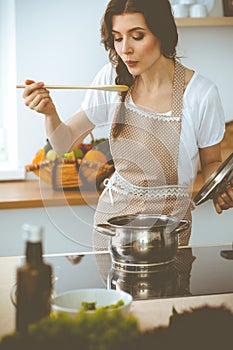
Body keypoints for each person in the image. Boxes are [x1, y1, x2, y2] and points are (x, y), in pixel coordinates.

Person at [22, 0, 233, 251]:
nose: (125, 49)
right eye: (117, 38)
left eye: (137, 36)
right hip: (113, 226)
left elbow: (211, 162)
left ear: (163, 33)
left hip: (169, 231)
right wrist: (49, 113)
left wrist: (220, 187)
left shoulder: (200, 93)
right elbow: (63, 141)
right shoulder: (111, 79)